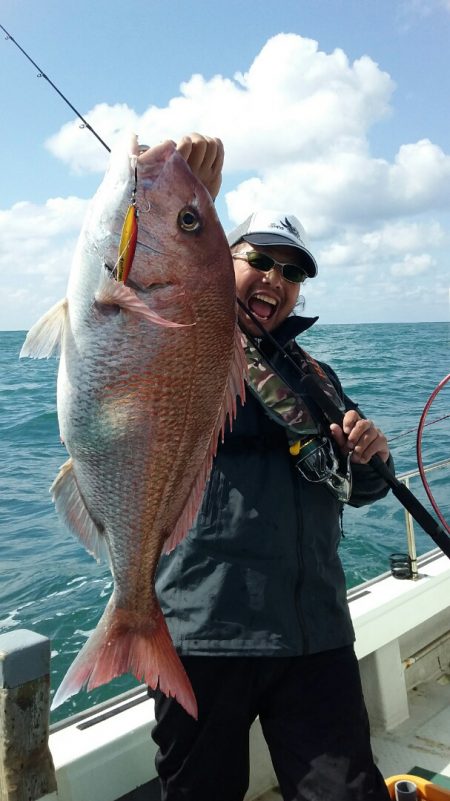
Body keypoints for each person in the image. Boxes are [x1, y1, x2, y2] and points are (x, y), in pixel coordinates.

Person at [152, 134, 393, 801]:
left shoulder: (316, 375)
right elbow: (142, 287)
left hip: (312, 632)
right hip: (203, 628)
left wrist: (369, 459)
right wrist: (191, 204)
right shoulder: (183, 339)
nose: (275, 280)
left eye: (292, 272)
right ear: (218, 259)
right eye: (257, 259)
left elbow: (357, 485)